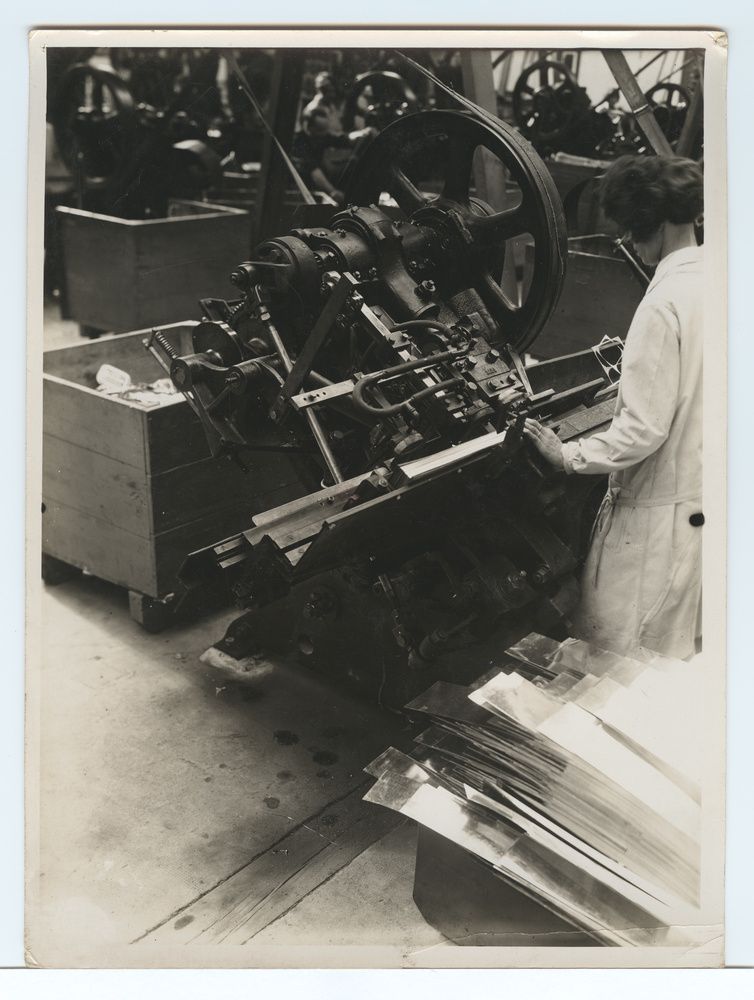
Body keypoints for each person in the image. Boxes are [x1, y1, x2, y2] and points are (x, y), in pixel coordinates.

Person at [524, 154, 704, 661]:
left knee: (614, 659)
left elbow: (641, 431)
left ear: (654, 223)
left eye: (630, 228)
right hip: (701, 510)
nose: (627, 241)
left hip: (652, 528)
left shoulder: (662, 302)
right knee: (666, 661)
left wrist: (567, 455)